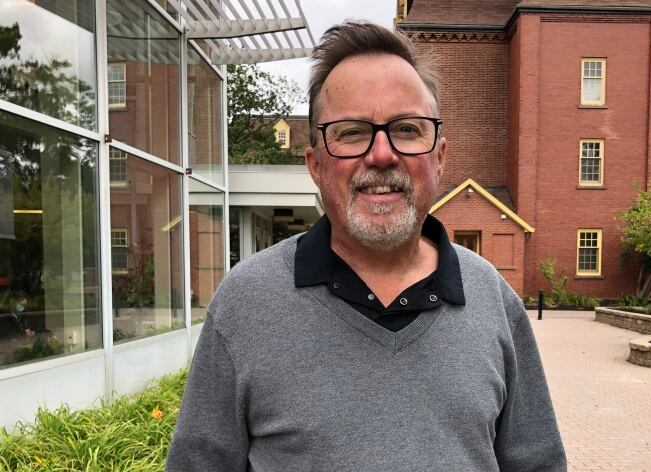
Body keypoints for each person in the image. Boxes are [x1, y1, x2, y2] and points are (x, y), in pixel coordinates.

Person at [166, 21, 566, 471]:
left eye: (407, 129)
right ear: (315, 164)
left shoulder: (492, 301)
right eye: (352, 132)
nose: (381, 154)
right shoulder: (246, 303)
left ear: (439, 156)